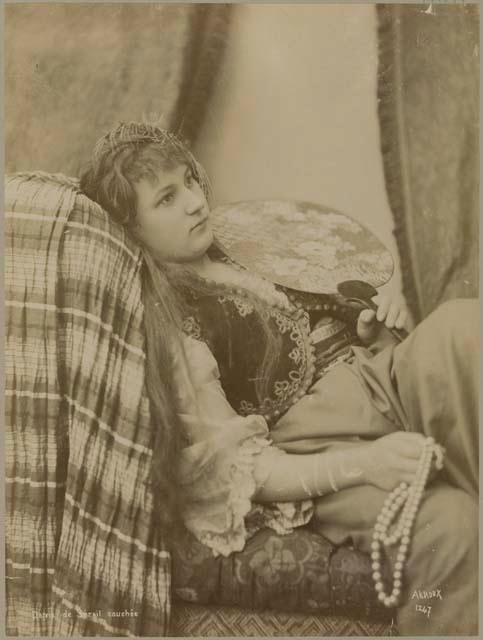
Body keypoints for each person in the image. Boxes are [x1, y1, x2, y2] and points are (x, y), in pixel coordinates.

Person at [80, 121, 478, 635]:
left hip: (382, 383)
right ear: (132, 231)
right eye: (167, 199)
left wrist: (373, 332)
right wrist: (367, 462)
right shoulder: (174, 326)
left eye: (190, 181)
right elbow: (237, 467)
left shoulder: (250, 248)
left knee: (462, 327)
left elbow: (341, 339)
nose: (196, 202)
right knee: (451, 527)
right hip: (320, 443)